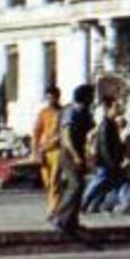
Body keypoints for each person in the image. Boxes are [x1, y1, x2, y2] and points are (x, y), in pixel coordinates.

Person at [50, 84, 95, 233]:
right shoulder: (70, 111)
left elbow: (90, 130)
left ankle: (71, 221)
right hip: (69, 153)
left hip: (79, 151)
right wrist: (76, 155)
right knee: (75, 186)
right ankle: (58, 217)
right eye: (91, 96)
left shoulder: (84, 112)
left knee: (80, 186)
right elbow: (66, 137)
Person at [80, 95, 124, 214]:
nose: (118, 109)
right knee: (97, 183)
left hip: (111, 161)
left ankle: (96, 205)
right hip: (106, 162)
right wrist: (111, 162)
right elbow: (104, 146)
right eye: (116, 107)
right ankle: (83, 204)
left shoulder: (111, 124)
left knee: (105, 185)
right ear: (108, 108)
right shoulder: (106, 125)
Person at [32, 86, 63, 215]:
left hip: (58, 149)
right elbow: (36, 132)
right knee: (47, 181)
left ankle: (54, 208)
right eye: (48, 97)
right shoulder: (43, 113)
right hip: (44, 150)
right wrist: (35, 152)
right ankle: (54, 204)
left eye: (53, 97)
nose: (50, 99)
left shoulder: (62, 112)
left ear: (57, 97)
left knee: (55, 180)